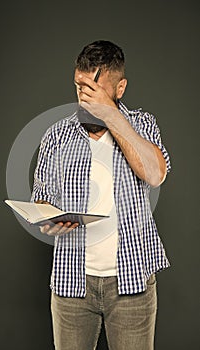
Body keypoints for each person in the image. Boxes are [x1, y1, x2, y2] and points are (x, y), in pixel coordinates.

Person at [31, 40, 171, 350]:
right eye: (80, 87)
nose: (85, 98)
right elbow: (42, 197)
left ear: (120, 88)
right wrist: (48, 218)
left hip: (132, 283)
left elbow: (154, 173)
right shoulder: (56, 134)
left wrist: (112, 116)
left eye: (95, 90)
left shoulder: (142, 124)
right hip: (71, 284)